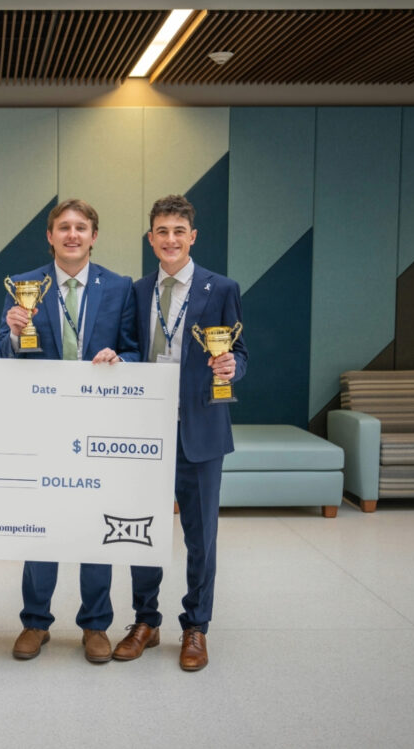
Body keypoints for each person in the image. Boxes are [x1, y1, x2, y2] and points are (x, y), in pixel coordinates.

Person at [0, 198, 139, 663]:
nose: (72, 235)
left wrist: (120, 359)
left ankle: (95, 624)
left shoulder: (119, 287)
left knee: (94, 525)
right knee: (42, 526)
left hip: (100, 428)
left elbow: (136, 352)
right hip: (41, 427)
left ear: (94, 236)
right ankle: (35, 622)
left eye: (81, 227)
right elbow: (2, 356)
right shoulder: (22, 285)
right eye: (64, 227)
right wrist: (16, 333)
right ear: (50, 235)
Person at [117, 194, 247, 671]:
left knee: (201, 537)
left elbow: (242, 352)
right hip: (145, 433)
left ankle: (196, 627)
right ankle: (145, 621)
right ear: (151, 239)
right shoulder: (136, 290)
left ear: (192, 237)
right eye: (161, 231)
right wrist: (118, 358)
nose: (170, 239)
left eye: (178, 231)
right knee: (141, 533)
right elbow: (130, 347)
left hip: (201, 432)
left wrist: (233, 366)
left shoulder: (222, 288)